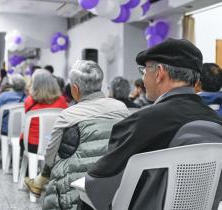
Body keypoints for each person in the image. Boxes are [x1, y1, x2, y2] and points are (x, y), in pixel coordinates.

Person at [85, 38, 222, 210]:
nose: (142, 78)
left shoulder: (141, 121)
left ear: (159, 73)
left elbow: (99, 184)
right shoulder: (217, 122)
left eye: (144, 70)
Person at [24, 60, 129, 209]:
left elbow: (50, 156)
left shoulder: (67, 116)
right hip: (114, 185)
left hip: (74, 191)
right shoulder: (121, 108)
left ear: (75, 88)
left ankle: (38, 182)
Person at [22, 69, 68, 153]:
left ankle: (31, 165)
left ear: (34, 84)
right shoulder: (62, 100)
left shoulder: (28, 101)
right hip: (56, 144)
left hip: (34, 146)